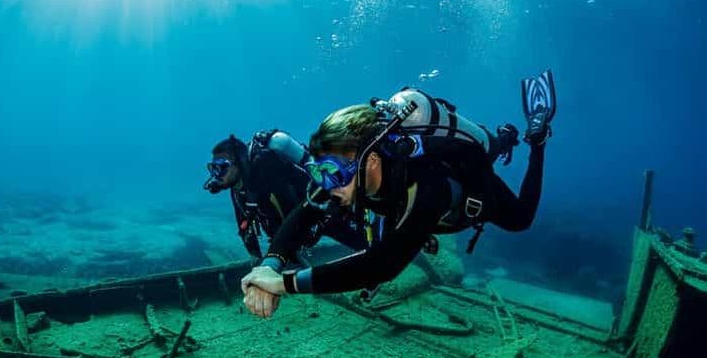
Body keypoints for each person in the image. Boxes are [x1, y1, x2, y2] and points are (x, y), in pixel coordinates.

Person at [241, 70, 557, 318]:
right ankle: (500, 139)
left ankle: (536, 139)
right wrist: (270, 264)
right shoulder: (342, 173)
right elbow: (302, 215)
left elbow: (383, 265)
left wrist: (283, 285)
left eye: (335, 173)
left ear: (373, 161)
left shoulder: (427, 186)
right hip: (404, 207)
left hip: (464, 198)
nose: (328, 184)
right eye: (319, 172)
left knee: (520, 219)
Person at [204, 130, 368, 260]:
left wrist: (279, 248)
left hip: (319, 210)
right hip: (300, 227)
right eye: (214, 168)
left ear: (239, 162)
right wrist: (256, 260)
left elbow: (293, 210)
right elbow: (244, 226)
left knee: (358, 238)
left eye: (222, 167)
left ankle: (378, 253)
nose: (217, 175)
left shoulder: (266, 165)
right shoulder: (239, 186)